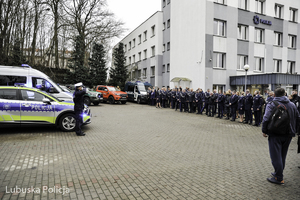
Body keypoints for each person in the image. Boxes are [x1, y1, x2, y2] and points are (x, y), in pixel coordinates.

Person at [262, 88, 300, 185]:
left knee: (275, 156)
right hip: (288, 134)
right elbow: (297, 117)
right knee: (283, 155)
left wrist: (264, 130)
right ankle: (278, 172)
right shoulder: (292, 104)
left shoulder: (272, 104)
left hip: (275, 133)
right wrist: (294, 130)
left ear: (274, 95)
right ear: (285, 94)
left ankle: (279, 178)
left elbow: (266, 118)